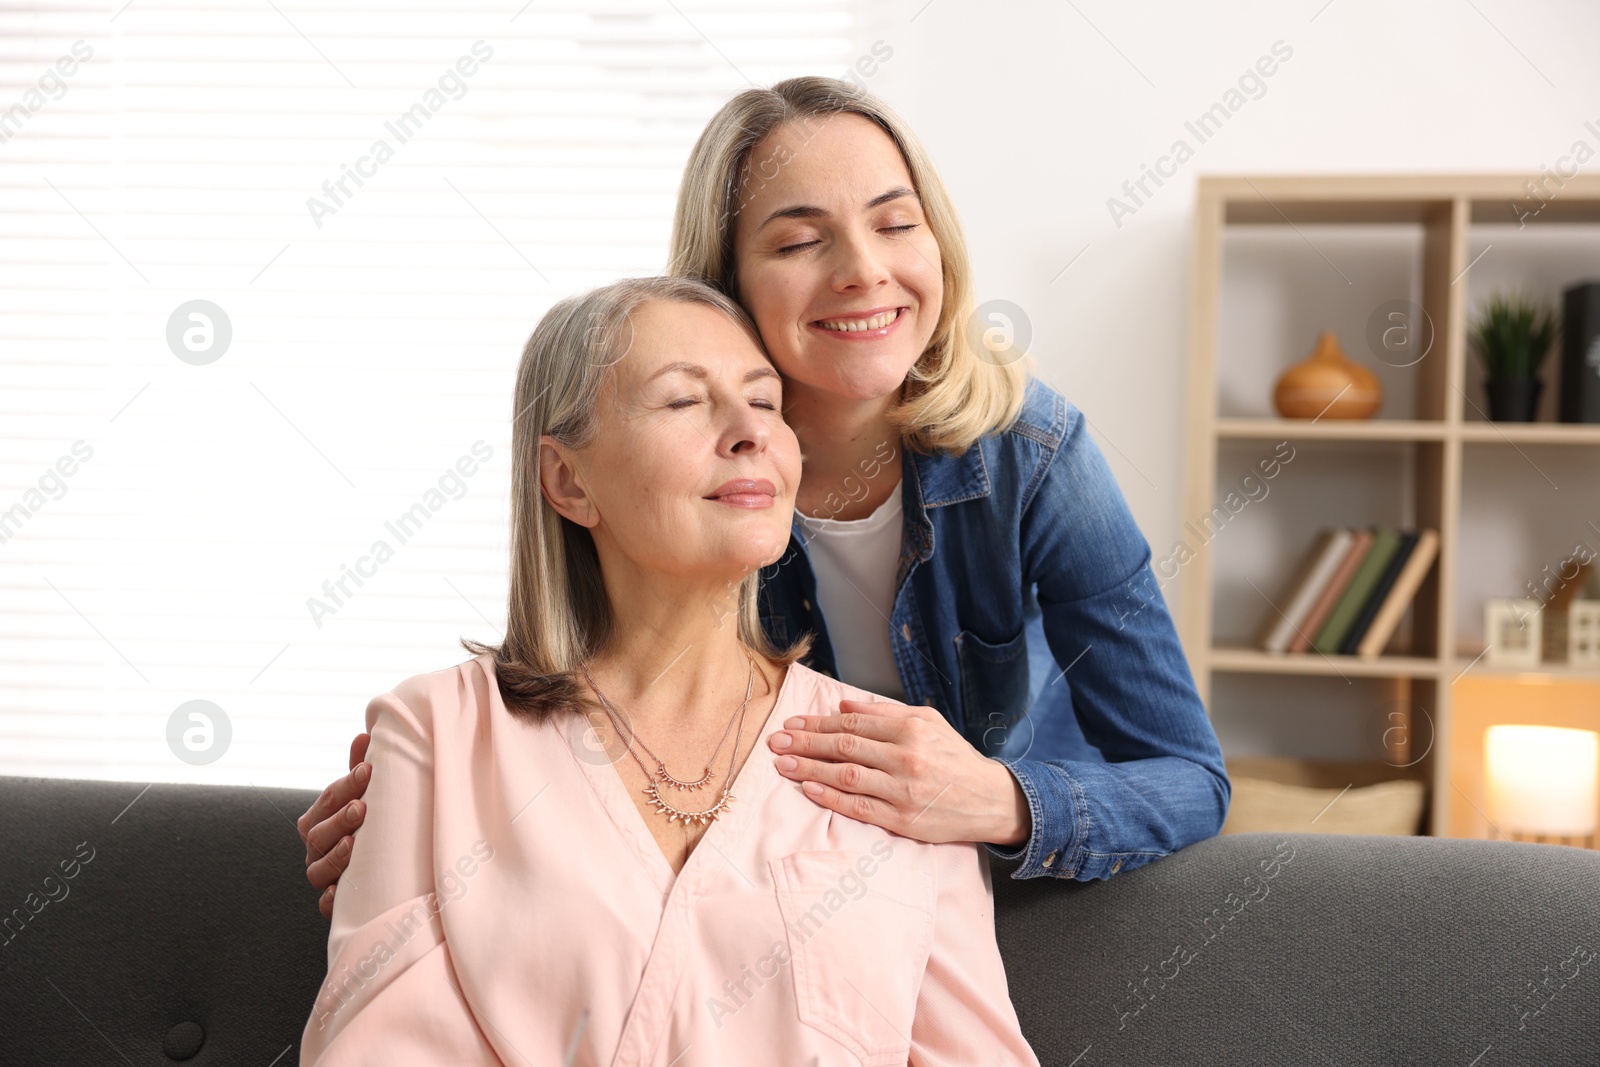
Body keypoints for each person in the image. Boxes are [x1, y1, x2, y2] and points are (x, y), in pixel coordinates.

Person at [298, 76, 1229, 918]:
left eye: (896, 223)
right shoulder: (684, 475)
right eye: (798, 239)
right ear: (726, 279)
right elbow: (607, 663)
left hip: (981, 893)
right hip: (771, 901)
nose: (863, 268)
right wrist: (431, 801)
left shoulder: (1034, 450)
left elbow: (1189, 774)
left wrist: (998, 797)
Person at [299, 276, 1040, 1066]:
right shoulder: (435, 733)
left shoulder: (897, 761)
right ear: (568, 480)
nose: (749, 432)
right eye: (684, 402)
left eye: (765, 401)